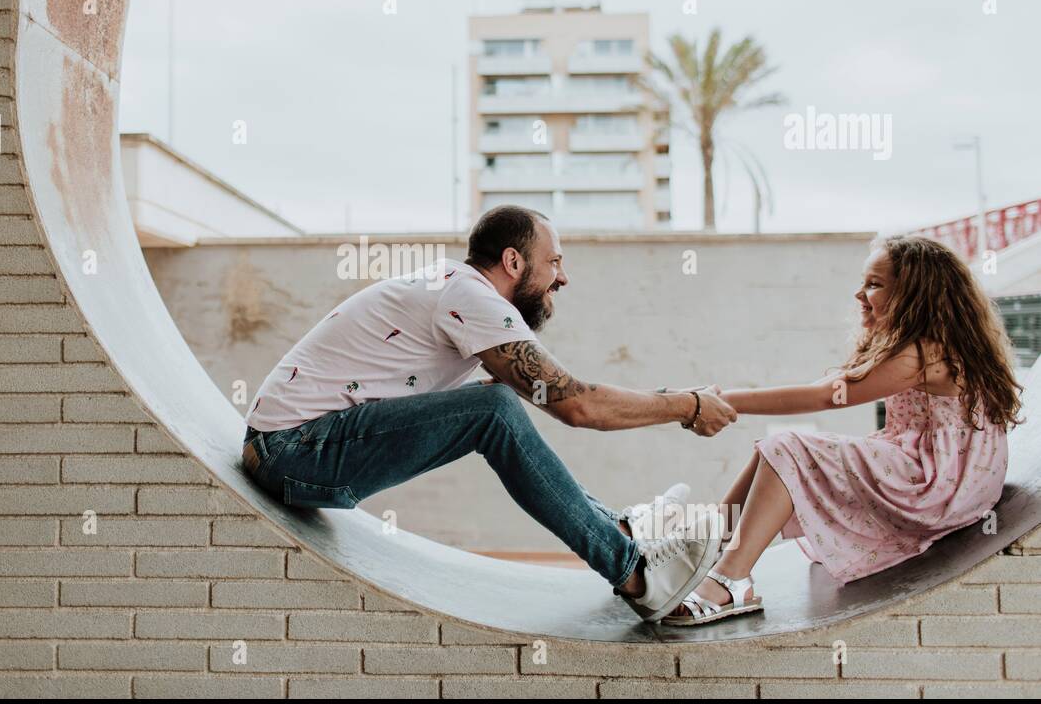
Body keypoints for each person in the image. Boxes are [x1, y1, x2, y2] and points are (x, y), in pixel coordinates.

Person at [239, 205, 737, 623]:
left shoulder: (452, 289)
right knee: (495, 408)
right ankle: (636, 572)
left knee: (498, 401)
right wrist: (684, 406)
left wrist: (677, 397)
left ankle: (623, 530)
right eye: (555, 262)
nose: (563, 277)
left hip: (291, 448)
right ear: (513, 261)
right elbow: (577, 404)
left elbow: (553, 390)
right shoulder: (467, 294)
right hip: (292, 451)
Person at [663, 234, 1022, 626]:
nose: (859, 294)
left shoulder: (926, 353)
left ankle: (732, 579)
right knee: (774, 449)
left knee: (789, 448)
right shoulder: (922, 344)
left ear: (916, 294)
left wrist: (721, 400)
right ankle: (705, 545)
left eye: (874, 284)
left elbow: (825, 397)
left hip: (938, 486)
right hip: (940, 476)